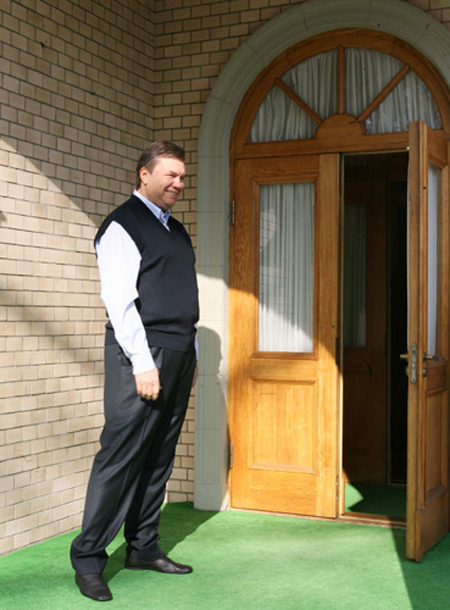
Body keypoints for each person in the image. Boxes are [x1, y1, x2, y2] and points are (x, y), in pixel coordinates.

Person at [70, 141, 199, 602]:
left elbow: (182, 297)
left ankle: (142, 546)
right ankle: (88, 558)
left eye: (182, 177)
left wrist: (192, 354)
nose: (178, 184)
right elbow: (119, 300)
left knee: (159, 456)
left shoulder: (177, 231)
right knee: (121, 456)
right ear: (145, 174)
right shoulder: (121, 226)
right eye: (170, 175)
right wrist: (144, 364)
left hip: (178, 354)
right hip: (141, 355)